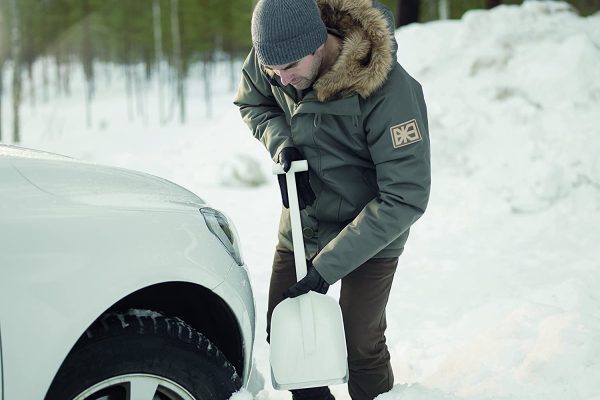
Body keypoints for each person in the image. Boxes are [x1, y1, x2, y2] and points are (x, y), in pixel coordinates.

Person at [234, 0, 431, 399]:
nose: (282, 80)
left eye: (290, 69)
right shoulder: (275, 54)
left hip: (373, 229)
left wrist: (326, 269)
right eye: (273, 71)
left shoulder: (389, 89)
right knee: (290, 336)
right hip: (304, 222)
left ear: (318, 44)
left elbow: (406, 195)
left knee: (360, 342)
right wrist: (282, 145)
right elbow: (253, 102)